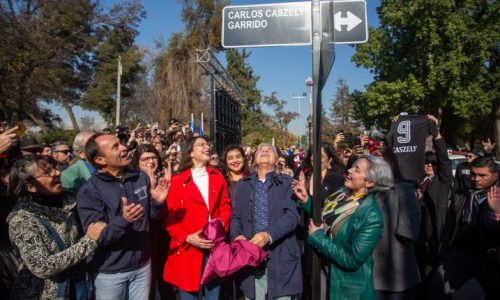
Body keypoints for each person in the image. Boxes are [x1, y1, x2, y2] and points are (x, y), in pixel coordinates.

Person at [77, 133, 170, 300]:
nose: (124, 148)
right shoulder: (89, 191)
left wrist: (158, 203)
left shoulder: (140, 178)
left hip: (142, 267)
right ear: (100, 160)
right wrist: (124, 220)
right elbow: (97, 238)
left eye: (121, 143)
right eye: (115, 147)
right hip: (109, 273)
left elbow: (154, 217)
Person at [7, 156, 106, 299]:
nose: (57, 173)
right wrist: (89, 242)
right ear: (31, 187)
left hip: (78, 286)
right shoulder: (22, 220)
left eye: (55, 167)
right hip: (44, 294)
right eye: (47, 173)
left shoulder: (70, 200)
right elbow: (42, 267)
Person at [294, 155, 391, 300]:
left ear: (369, 182)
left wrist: (318, 237)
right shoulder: (342, 194)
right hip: (324, 271)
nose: (349, 170)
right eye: (352, 166)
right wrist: (306, 200)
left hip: (345, 286)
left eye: (357, 170)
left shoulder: (371, 215)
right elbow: (324, 216)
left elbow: (352, 259)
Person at [230, 143, 302, 300]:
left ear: (277, 160)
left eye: (269, 150)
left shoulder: (288, 183)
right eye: (260, 150)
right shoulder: (243, 185)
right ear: (254, 160)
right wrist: (236, 236)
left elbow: (292, 216)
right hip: (251, 256)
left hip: (281, 256)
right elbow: (236, 217)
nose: (264, 150)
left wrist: (268, 235)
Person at [163, 136, 232, 300]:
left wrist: (220, 227)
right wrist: (187, 237)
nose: (207, 147)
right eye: (201, 145)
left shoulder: (218, 177)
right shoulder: (177, 181)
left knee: (213, 296)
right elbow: (169, 218)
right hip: (188, 250)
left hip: (214, 248)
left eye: (207, 144)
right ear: (191, 153)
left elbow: (226, 207)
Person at [431, 156, 500, 299]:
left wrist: (496, 213)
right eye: (473, 174)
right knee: (439, 289)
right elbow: (449, 224)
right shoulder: (462, 194)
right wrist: (444, 250)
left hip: (489, 258)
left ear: (495, 176)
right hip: (459, 254)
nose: (476, 179)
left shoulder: (497, 197)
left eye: (482, 175)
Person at [373, 149, 422, 299]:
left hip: (395, 269)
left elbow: (408, 230)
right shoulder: (367, 191)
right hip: (372, 270)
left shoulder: (403, 189)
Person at [415, 116, 452, 289]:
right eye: (426, 162)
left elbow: (444, 160)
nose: (429, 165)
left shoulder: (442, 181)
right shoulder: (415, 182)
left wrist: (437, 135)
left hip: (434, 241)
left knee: (434, 285)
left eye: (433, 163)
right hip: (416, 239)